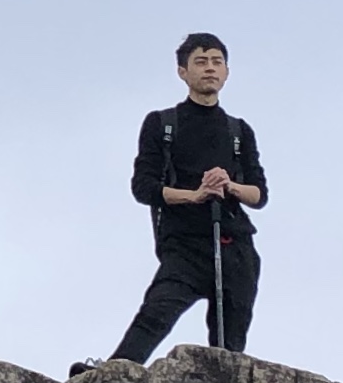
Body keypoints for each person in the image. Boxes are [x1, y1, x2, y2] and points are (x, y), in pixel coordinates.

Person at [101, 31, 267, 363]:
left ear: (227, 71)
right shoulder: (162, 124)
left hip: (235, 246)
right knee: (155, 314)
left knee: (229, 342)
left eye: (217, 62)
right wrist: (195, 195)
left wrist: (229, 186)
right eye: (201, 62)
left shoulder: (239, 131)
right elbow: (144, 187)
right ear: (183, 72)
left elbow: (259, 194)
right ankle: (113, 374)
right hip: (184, 245)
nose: (210, 68)